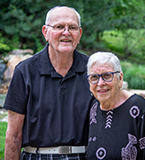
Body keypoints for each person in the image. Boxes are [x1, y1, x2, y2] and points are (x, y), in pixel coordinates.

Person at [4, 6, 92, 160]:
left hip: (84, 156)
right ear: (45, 32)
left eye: (72, 27)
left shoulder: (92, 70)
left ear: (80, 34)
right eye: (59, 27)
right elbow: (14, 135)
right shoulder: (25, 71)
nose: (66, 32)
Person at [86, 51, 145, 160]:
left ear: (120, 79)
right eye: (94, 77)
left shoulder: (137, 107)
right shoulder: (93, 108)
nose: (100, 83)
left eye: (107, 76)